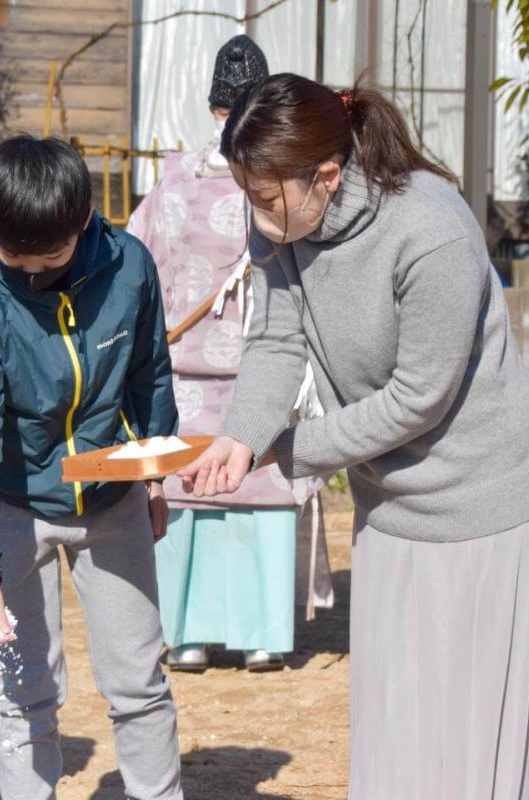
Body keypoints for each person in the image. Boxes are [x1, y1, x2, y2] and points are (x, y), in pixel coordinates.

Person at [178, 74, 529, 798]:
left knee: (471, 734)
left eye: (267, 197)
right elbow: (276, 339)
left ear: (328, 175)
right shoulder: (283, 218)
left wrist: (289, 451)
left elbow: (418, 398)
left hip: (485, 509)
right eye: (248, 194)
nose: (257, 213)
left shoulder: (427, 228)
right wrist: (240, 438)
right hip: (393, 511)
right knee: (401, 723)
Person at [0, 135, 184, 799]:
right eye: (17, 257)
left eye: (52, 256)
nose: (32, 271)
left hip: (111, 502)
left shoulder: (129, 266)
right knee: (24, 692)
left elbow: (148, 375)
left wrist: (152, 473)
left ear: (81, 219)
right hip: (19, 508)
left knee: (139, 683)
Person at [127, 34, 334, 673]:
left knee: (189, 498)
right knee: (260, 496)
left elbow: (136, 260)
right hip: (264, 372)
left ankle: (186, 634)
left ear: (213, 104)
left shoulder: (171, 182)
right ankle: (263, 634)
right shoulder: (282, 177)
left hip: (184, 371)